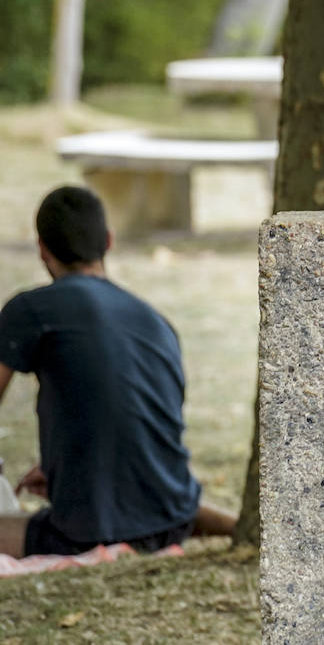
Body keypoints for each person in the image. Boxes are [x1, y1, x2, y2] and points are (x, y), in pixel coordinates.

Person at [0, 186, 234, 558]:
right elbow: (137, 422)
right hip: (173, 516)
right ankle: (238, 529)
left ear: (42, 249)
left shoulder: (30, 310)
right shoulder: (155, 321)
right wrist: (64, 464)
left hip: (86, 530)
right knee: (157, 507)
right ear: (107, 242)